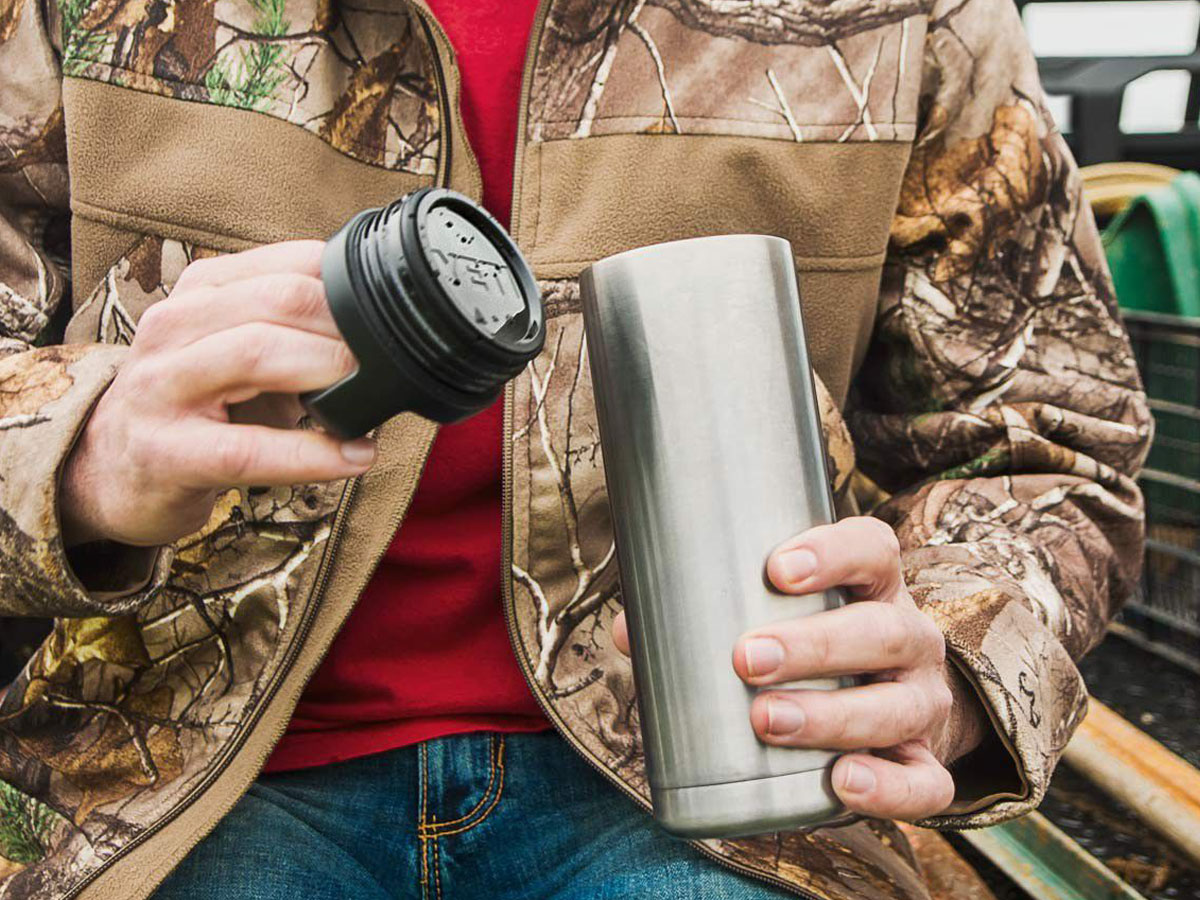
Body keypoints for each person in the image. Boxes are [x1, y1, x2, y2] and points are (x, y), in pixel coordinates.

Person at [0, 0, 1150, 897]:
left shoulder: (909, 19)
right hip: (162, 784)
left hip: (737, 794)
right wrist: (82, 455)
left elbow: (1047, 440)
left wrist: (947, 656)